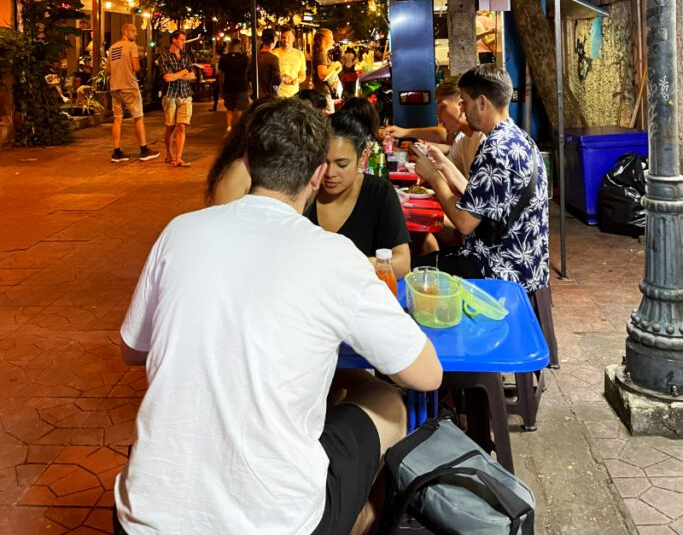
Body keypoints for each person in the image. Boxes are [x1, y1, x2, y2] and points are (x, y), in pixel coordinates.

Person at [113, 98, 441, 535]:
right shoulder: (335, 257)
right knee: (387, 400)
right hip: (280, 522)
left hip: (145, 518)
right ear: (317, 173)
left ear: (247, 160)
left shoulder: (180, 231)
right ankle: (361, 518)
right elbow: (427, 375)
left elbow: (133, 350)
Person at [416, 65, 549, 292]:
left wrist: (433, 177)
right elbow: (479, 196)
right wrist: (443, 165)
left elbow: (465, 223)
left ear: (482, 102)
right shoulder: (518, 138)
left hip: (498, 268)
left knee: (413, 271)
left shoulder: (495, 149)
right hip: (526, 264)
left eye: (465, 102)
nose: (463, 110)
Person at [305, 110, 412, 279]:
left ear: (362, 158)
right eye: (323, 163)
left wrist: (348, 264)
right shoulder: (305, 191)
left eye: (342, 164)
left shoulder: (380, 192)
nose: (330, 173)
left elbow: (402, 264)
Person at [106, 23, 159, 164]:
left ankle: (116, 152)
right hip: (129, 86)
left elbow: (109, 70)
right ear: (127, 31)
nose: (135, 34)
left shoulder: (112, 48)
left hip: (115, 87)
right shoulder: (131, 46)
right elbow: (136, 67)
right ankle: (144, 150)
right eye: (134, 31)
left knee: (117, 118)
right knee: (138, 117)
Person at [158, 30, 197, 168]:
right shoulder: (164, 57)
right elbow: (167, 78)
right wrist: (182, 72)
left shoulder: (185, 56)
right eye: (181, 39)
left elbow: (193, 75)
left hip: (185, 94)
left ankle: (179, 157)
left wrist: (177, 75)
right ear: (174, 40)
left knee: (181, 125)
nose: (183, 42)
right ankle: (169, 153)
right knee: (170, 126)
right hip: (170, 95)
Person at [219, 36, 250, 131]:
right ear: (239, 46)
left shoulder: (224, 58)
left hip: (228, 86)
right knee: (240, 108)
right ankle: (240, 128)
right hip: (241, 86)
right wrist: (249, 86)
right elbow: (247, 72)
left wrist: (221, 87)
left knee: (229, 108)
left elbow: (221, 74)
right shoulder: (244, 58)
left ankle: (229, 126)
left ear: (230, 46)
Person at [312, 28, 342, 111]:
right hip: (324, 95)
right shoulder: (321, 54)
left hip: (325, 93)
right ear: (324, 39)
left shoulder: (323, 54)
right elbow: (322, 75)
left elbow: (328, 73)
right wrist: (334, 65)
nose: (333, 41)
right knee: (328, 119)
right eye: (331, 38)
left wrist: (336, 69)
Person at [274, 25, 307, 98]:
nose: (286, 40)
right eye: (283, 37)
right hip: (278, 94)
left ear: (293, 39)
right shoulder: (274, 54)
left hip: (294, 94)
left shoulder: (300, 54)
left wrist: (297, 80)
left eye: (289, 37)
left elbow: (303, 75)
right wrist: (281, 78)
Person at [257, 28, 281, 98]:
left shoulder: (252, 57)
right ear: (273, 40)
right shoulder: (273, 58)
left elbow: (248, 77)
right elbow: (277, 80)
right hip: (269, 97)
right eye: (276, 40)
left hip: (256, 96)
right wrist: (283, 78)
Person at [210, 41, 226, 112]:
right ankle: (231, 107)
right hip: (225, 77)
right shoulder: (224, 58)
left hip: (218, 77)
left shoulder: (215, 59)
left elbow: (212, 67)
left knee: (216, 91)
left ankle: (215, 106)